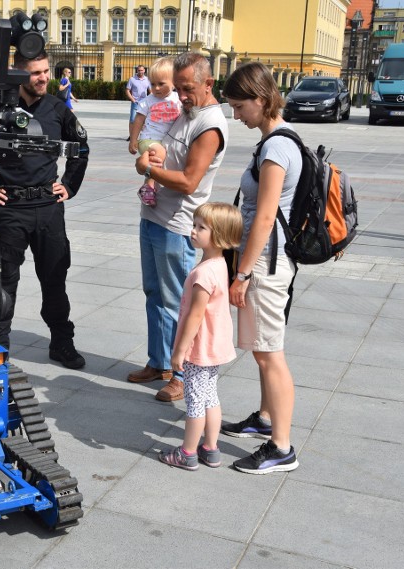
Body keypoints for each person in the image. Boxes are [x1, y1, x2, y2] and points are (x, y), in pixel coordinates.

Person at [127, 52, 229, 403]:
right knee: (154, 295)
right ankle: (159, 363)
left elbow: (188, 181)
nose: (181, 95)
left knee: (178, 303)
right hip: (153, 215)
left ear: (208, 84)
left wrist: (147, 170)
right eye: (179, 88)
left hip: (178, 223)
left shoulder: (210, 124)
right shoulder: (184, 110)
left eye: (188, 89)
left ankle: (183, 374)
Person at [0, 50, 90, 369]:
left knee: (55, 279)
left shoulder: (58, 109)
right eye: (36, 73)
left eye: (46, 71)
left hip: (48, 207)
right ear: (17, 75)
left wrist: (69, 184)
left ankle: (62, 343)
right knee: (3, 283)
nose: (44, 77)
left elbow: (81, 147)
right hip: (10, 209)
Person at [221, 61, 300, 475]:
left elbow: (266, 218)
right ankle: (266, 420)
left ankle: (282, 447)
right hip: (264, 262)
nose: (236, 114)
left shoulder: (276, 148)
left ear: (261, 98)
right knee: (262, 350)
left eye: (239, 106)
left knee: (271, 355)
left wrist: (242, 273)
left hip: (266, 266)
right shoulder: (272, 141)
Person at [158, 202, 242, 470]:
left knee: (194, 400)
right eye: (194, 225)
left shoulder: (204, 273)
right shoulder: (219, 265)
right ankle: (211, 448)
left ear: (218, 235)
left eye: (200, 227)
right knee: (210, 396)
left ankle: (187, 453)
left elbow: (195, 316)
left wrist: (179, 350)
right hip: (215, 346)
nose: (193, 231)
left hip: (199, 347)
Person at [128, 56, 181, 207]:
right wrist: (133, 141)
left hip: (166, 141)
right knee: (159, 154)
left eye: (161, 84)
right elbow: (138, 120)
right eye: (153, 84)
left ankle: (153, 187)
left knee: (161, 158)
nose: (156, 88)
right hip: (148, 140)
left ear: (174, 83)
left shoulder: (178, 100)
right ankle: (148, 187)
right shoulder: (148, 101)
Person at [126, 65, 151, 140]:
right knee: (132, 120)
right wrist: (132, 99)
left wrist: (150, 100)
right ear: (137, 71)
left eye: (141, 70)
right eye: (139, 70)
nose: (140, 72)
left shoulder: (147, 80)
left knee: (144, 120)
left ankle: (143, 136)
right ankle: (131, 136)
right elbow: (127, 90)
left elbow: (150, 91)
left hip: (144, 103)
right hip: (135, 102)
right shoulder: (132, 79)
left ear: (144, 71)